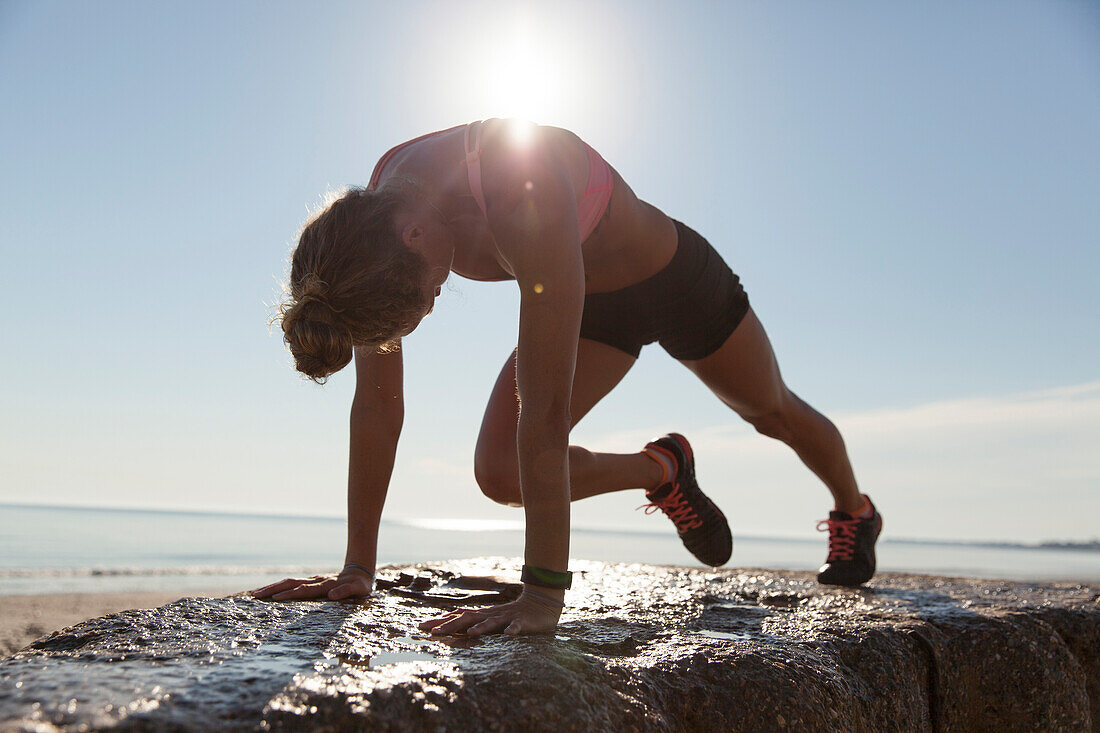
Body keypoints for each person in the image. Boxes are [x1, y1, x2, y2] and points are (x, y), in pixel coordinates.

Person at [251, 118, 883, 636]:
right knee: (500, 472)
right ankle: (663, 470)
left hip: (672, 281)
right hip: (587, 311)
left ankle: (854, 510)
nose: (438, 298)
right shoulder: (371, 229)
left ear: (415, 235)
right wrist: (359, 566)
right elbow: (377, 404)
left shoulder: (518, 186)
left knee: (770, 410)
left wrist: (542, 597)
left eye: (427, 295)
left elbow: (545, 414)